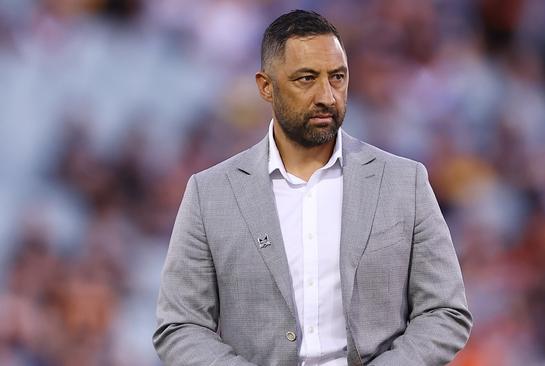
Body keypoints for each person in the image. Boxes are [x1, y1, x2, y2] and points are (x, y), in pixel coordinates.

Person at [153, 9, 471, 366]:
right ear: (265, 87)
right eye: (306, 79)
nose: (327, 96)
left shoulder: (404, 182)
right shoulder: (210, 194)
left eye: (337, 78)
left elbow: (445, 312)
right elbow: (179, 325)